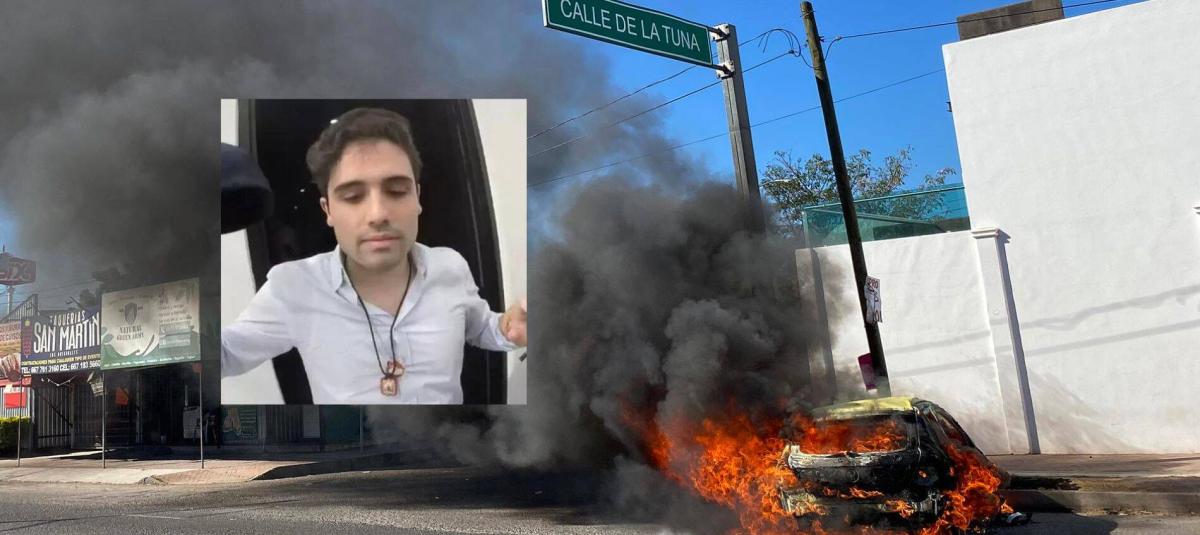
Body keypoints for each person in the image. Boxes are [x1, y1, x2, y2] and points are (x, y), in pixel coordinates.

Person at [221, 107, 527, 404]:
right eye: (353, 197)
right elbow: (221, 356)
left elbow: (479, 327)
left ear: (417, 198)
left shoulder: (450, 266)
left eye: (396, 191)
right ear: (328, 210)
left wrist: (506, 329)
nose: (378, 214)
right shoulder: (294, 286)